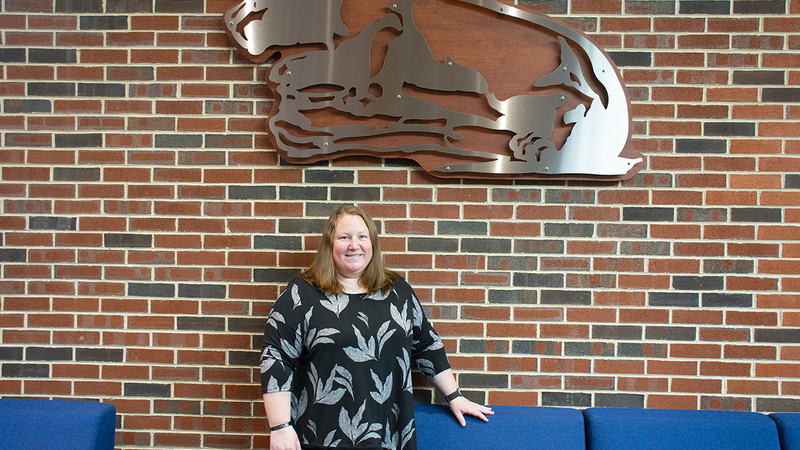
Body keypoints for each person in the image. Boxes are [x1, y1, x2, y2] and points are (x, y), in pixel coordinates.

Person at [260, 205, 493, 450]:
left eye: (362, 237)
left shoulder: (397, 290)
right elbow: (276, 358)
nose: (354, 245)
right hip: (322, 436)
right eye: (344, 237)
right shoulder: (302, 294)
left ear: (372, 243)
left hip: (390, 436)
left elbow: (426, 346)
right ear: (329, 245)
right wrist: (280, 427)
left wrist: (454, 396)